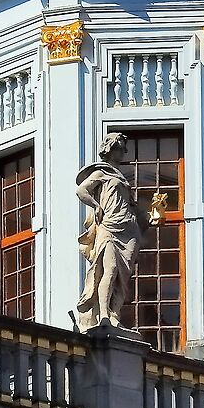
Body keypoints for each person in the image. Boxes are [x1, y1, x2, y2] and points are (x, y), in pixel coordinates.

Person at [74, 131, 140, 333]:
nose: (122, 152)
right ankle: (103, 314)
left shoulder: (121, 177)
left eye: (123, 148)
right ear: (109, 149)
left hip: (129, 230)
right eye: (119, 148)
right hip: (109, 226)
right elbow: (81, 190)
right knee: (109, 269)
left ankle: (115, 314)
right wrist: (96, 206)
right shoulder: (101, 172)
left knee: (123, 276)